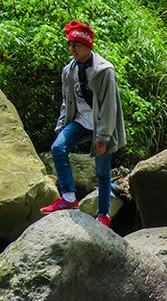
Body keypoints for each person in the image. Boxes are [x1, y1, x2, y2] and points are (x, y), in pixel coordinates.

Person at [40, 21, 126, 227]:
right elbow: (66, 101)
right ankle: (69, 197)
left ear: (88, 45)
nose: (72, 50)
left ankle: (103, 214)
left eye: (75, 46)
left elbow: (108, 107)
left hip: (101, 125)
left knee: (102, 172)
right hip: (79, 121)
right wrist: (61, 126)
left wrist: (103, 137)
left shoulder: (104, 71)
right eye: (70, 46)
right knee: (58, 148)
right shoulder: (68, 70)